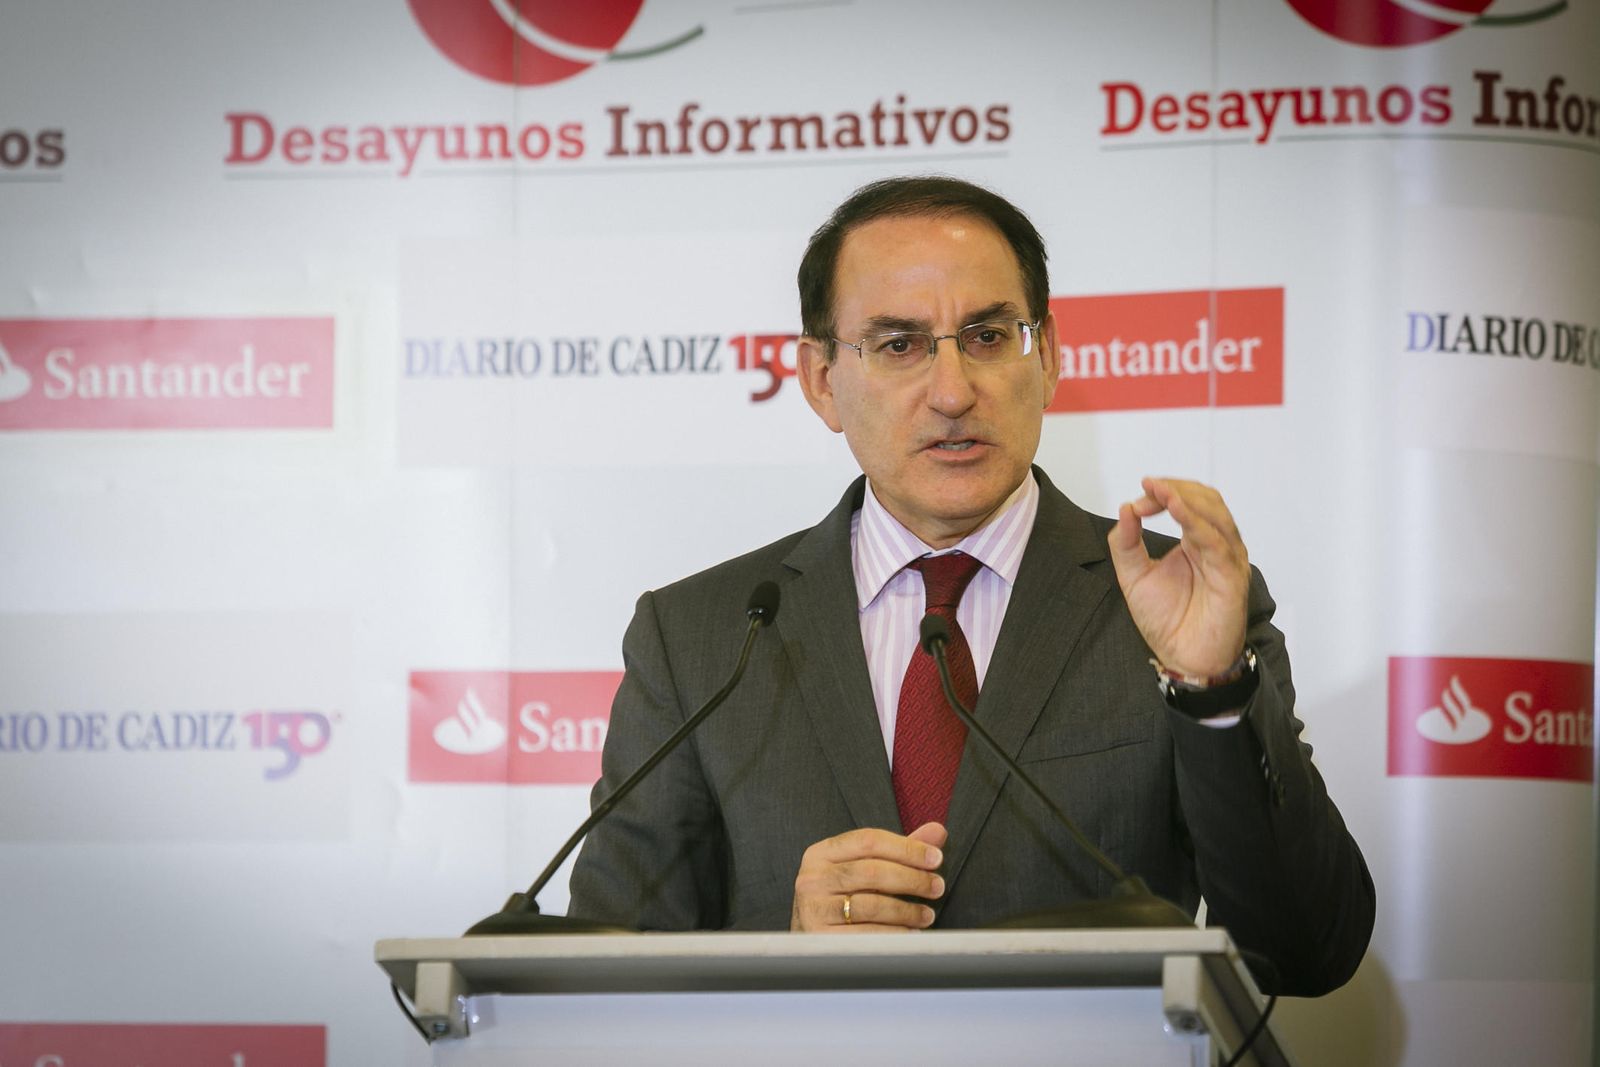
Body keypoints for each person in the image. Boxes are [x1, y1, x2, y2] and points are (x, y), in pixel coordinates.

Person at [567, 175, 1374, 996]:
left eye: (988, 336)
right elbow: (605, 982)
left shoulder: (1176, 601)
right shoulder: (700, 637)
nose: (954, 392)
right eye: (899, 345)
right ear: (820, 380)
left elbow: (1308, 950)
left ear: (1047, 355)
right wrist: (785, 941)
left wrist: (1212, 692)